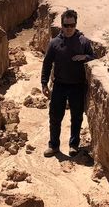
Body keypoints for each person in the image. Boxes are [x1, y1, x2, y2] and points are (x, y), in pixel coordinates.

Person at [41, 9, 96, 157]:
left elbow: (94, 57)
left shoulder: (83, 42)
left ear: (76, 24)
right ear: (61, 25)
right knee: (55, 116)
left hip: (77, 85)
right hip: (59, 85)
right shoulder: (54, 43)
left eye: (72, 25)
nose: (69, 28)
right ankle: (53, 146)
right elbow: (46, 64)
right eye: (66, 25)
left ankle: (73, 145)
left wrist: (85, 57)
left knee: (76, 117)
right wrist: (44, 83)